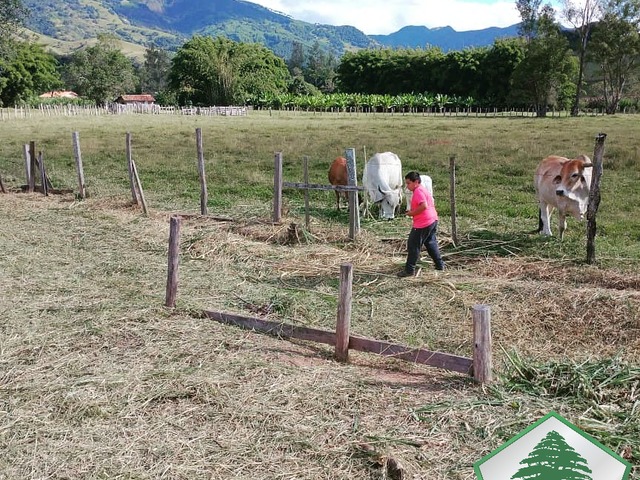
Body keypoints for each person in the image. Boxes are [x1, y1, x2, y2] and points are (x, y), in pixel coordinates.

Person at [397, 171, 445, 277]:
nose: (407, 186)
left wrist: (411, 213)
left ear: (416, 182)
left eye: (409, 183)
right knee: (430, 243)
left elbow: (423, 206)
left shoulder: (418, 191)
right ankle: (440, 265)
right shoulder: (422, 189)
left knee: (413, 245)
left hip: (423, 223)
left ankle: (409, 270)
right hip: (433, 220)